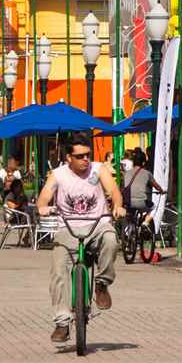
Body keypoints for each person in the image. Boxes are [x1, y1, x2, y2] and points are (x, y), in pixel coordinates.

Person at [36, 134, 125, 343]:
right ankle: (62, 322)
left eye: (87, 155)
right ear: (69, 158)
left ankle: (102, 284)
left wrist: (118, 206)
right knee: (58, 271)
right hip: (67, 229)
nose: (85, 159)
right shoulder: (58, 175)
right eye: (80, 156)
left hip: (97, 225)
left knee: (111, 239)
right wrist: (42, 207)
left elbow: (113, 191)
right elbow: (45, 195)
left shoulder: (98, 169)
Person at [121, 150, 166, 228]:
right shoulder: (147, 173)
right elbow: (156, 186)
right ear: (143, 163)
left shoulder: (127, 173)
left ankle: (129, 232)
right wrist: (161, 191)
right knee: (154, 207)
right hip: (141, 203)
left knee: (130, 216)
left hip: (128, 203)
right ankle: (145, 222)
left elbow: (123, 186)